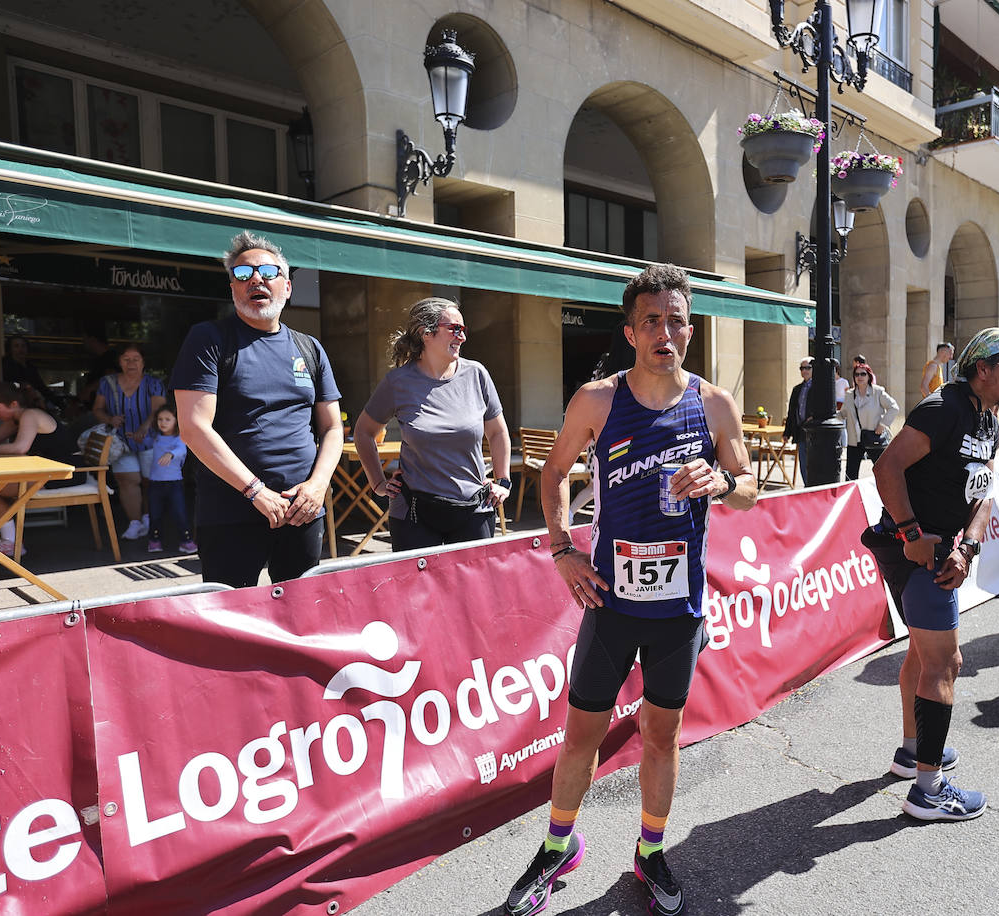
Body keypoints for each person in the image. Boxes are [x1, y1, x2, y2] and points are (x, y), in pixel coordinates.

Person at [504, 264, 757, 916]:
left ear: (690, 330)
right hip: (611, 605)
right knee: (581, 735)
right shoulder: (597, 399)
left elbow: (750, 485)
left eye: (675, 320)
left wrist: (722, 482)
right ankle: (559, 844)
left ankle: (649, 850)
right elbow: (555, 470)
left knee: (661, 735)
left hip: (678, 611)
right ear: (630, 332)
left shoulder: (714, 404)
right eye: (651, 321)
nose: (663, 332)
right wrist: (561, 549)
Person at [862, 327, 999, 821]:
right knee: (946, 663)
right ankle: (928, 791)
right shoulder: (944, 408)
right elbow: (886, 468)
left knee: (922, 652)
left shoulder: (989, 417)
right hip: (915, 552)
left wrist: (971, 546)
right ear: (983, 370)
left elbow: (982, 491)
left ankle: (912, 753)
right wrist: (913, 533)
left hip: (942, 551)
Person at [170, 231, 343, 589]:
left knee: (301, 619)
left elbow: (332, 428)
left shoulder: (309, 348)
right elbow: (193, 427)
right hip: (230, 513)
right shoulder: (209, 339)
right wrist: (256, 492)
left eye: (267, 271)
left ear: (288, 287)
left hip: (303, 512)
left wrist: (317, 486)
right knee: (233, 626)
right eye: (243, 274)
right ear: (232, 287)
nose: (256, 280)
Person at [354, 298, 512, 550]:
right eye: (454, 329)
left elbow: (497, 431)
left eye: (464, 330)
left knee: (470, 590)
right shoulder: (398, 382)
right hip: (414, 511)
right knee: (415, 590)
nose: (462, 337)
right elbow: (363, 432)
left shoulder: (476, 374)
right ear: (425, 333)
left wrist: (503, 481)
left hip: (473, 509)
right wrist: (378, 483)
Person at [0, 381, 83, 557]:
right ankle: (8, 542)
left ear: (13, 404)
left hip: (66, 473)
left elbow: (20, 448)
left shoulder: (31, 415)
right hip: (45, 472)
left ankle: (9, 542)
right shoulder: (16, 419)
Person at [92, 342, 166, 540]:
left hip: (150, 440)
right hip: (120, 441)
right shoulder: (107, 383)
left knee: (150, 481)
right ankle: (134, 523)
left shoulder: (153, 383)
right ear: (119, 362)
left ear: (143, 363)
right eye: (126, 359)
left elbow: (158, 410)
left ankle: (150, 519)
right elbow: (97, 409)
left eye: (136, 359)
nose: (131, 363)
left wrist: (145, 427)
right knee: (127, 481)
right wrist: (109, 419)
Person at [143, 404, 195, 555]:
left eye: (167, 419)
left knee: (180, 513)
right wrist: (135, 437)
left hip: (174, 483)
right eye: (160, 419)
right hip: (155, 483)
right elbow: (144, 443)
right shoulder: (155, 437)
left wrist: (171, 454)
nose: (163, 422)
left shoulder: (180, 438)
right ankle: (154, 540)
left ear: (176, 421)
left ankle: (186, 541)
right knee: (155, 513)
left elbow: (181, 450)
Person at [840, 362, 898, 481]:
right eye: (857, 374)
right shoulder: (849, 395)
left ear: (869, 376)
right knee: (850, 475)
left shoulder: (878, 392)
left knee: (883, 471)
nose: (860, 377)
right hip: (855, 440)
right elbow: (844, 413)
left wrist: (882, 425)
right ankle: (853, 499)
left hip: (874, 437)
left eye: (863, 374)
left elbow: (894, 408)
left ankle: (887, 496)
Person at [783, 357, 814, 485]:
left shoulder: (820, 387)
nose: (804, 371)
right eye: (802, 368)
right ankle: (808, 487)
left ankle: (813, 488)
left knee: (813, 464)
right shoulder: (797, 389)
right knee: (803, 463)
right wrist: (787, 433)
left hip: (814, 431)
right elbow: (791, 412)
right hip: (801, 432)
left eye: (807, 368)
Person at [1, 336, 55, 408]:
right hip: (13, 405)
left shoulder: (31, 367)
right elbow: (7, 384)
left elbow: (41, 387)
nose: (21, 349)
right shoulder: (5, 365)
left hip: (30, 405)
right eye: (16, 346)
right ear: (10, 349)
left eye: (23, 346)